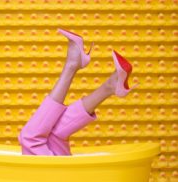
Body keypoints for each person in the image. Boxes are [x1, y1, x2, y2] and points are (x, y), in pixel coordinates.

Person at [17, 28, 139, 156]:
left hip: (56, 173)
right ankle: (75, 67)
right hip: (58, 175)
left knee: (56, 133)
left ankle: (109, 85)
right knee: (30, 138)